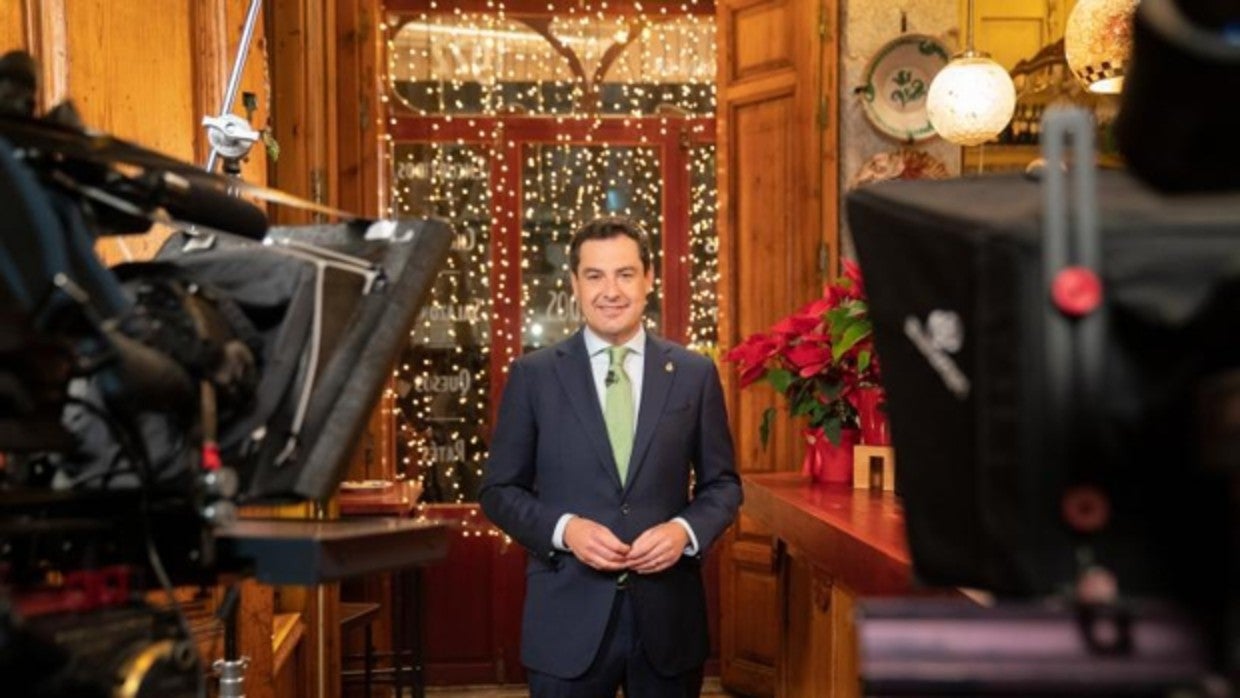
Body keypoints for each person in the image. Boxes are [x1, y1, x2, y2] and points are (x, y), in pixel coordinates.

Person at [480, 216, 742, 697]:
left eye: (625, 274)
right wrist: (566, 531)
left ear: (649, 278)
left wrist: (683, 532)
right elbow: (498, 491)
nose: (610, 291)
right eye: (595, 276)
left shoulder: (694, 374)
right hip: (566, 621)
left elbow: (723, 485)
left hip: (668, 622)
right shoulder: (533, 376)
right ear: (575, 284)